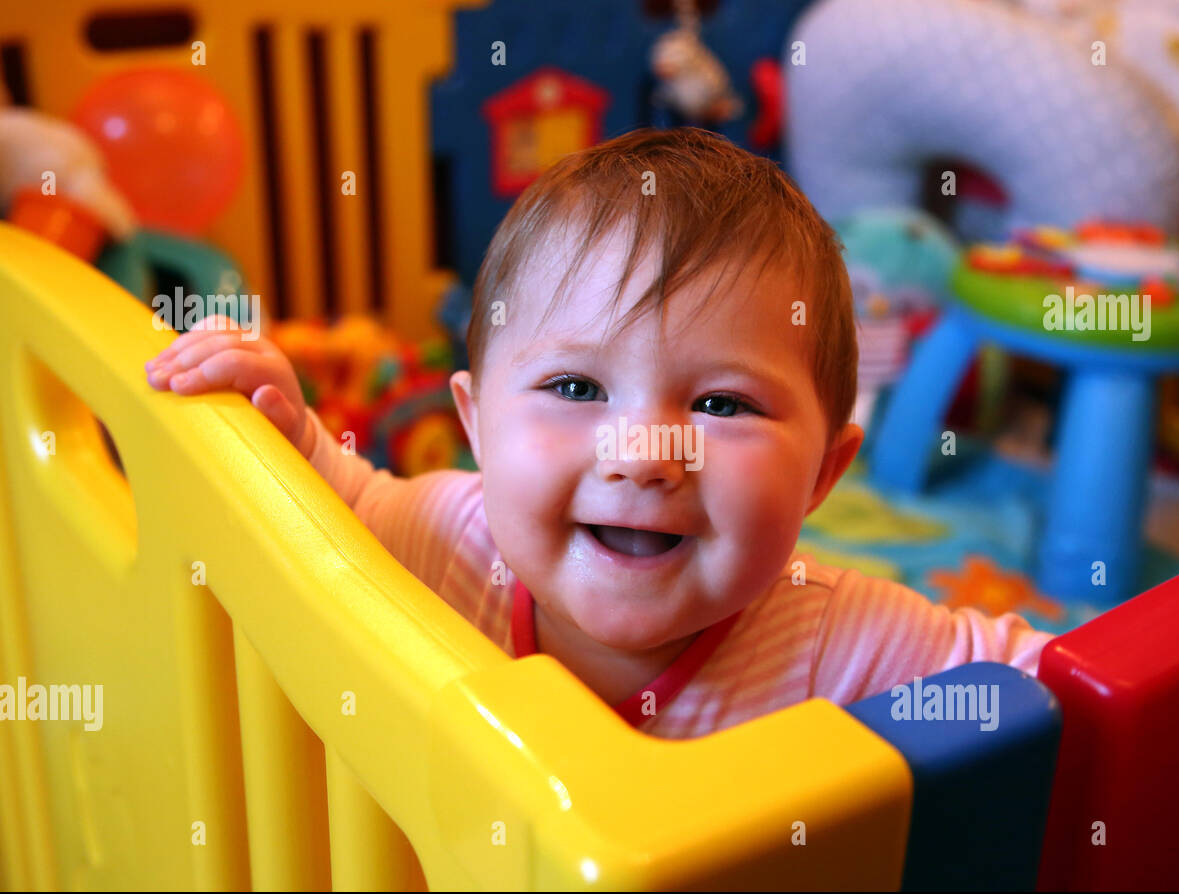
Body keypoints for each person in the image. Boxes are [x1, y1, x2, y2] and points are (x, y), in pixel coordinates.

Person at [146, 127, 1052, 739]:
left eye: (723, 405)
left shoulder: (839, 640)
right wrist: (279, 423)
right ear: (475, 424)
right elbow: (331, 500)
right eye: (576, 386)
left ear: (823, 471)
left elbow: (1061, 684)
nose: (644, 455)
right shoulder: (448, 540)